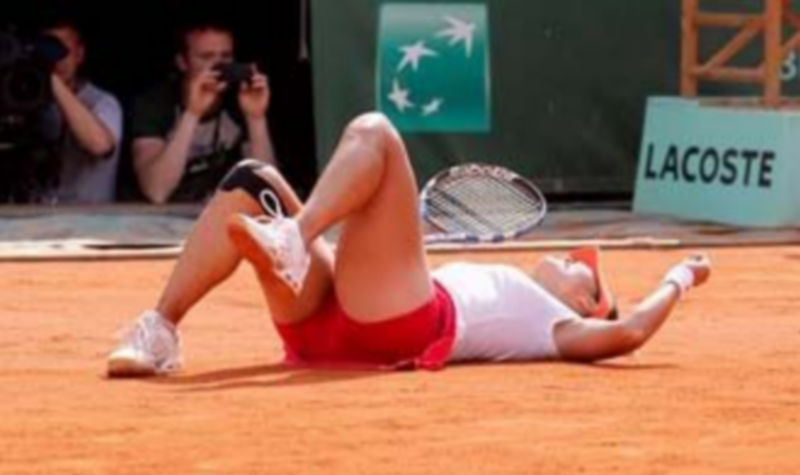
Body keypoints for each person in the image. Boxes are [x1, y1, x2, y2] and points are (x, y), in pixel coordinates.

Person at [107, 112, 710, 377]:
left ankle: (296, 237)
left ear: (585, 306)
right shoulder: (500, 282)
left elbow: (627, 334)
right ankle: (159, 331)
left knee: (375, 131)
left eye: (587, 277)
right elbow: (383, 268)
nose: (573, 261)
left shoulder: (554, 326)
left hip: (398, 328)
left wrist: (682, 275)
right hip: (327, 327)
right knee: (249, 183)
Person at [129, 19, 275, 204]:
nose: (218, 66)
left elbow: (267, 191)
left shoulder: (239, 100)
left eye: (225, 56)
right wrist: (192, 114)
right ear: (182, 62)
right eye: (206, 57)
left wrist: (256, 118)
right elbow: (156, 191)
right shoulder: (156, 103)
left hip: (222, 215)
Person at [36, 17, 123, 203]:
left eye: (61, 52)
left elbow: (100, 145)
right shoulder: (26, 101)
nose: (55, 60)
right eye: (47, 51)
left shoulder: (102, 102)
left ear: (80, 55)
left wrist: (50, 77)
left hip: (86, 223)